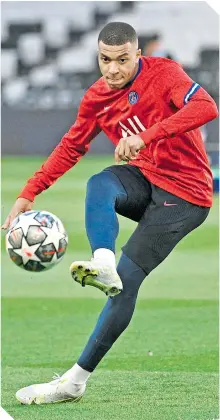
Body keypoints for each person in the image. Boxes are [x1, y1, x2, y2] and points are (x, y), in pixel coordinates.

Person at [2, 22, 218, 405]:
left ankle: (73, 382)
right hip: (147, 178)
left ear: (138, 55)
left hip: (187, 195)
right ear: (98, 56)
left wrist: (146, 136)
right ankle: (103, 261)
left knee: (127, 282)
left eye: (122, 60)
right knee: (99, 184)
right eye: (105, 59)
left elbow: (206, 107)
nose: (113, 69)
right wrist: (28, 192)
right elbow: (71, 147)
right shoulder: (97, 98)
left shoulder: (165, 73)